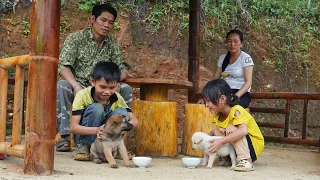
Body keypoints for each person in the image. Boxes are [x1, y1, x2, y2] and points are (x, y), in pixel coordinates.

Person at [56, 4, 133, 152]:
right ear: (92, 19)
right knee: (62, 86)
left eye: (110, 22)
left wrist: (117, 81)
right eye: (103, 20)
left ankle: (118, 139)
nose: (106, 25)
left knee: (126, 88)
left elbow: (123, 69)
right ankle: (64, 138)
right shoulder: (76, 38)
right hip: (78, 85)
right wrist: (75, 85)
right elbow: (63, 66)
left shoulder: (112, 45)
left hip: (102, 88)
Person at [70, 61, 138, 161]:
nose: (107, 92)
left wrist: (120, 127)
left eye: (112, 88)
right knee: (97, 108)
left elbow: (134, 120)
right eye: (102, 87)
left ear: (117, 85)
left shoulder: (117, 98)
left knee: (122, 113)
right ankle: (85, 148)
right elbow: (73, 128)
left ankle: (116, 149)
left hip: (107, 139)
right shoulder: (82, 95)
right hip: (86, 136)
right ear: (93, 82)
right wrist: (97, 130)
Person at [202, 79, 264, 172]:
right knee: (215, 129)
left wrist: (221, 141)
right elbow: (212, 134)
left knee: (231, 129)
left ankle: (246, 161)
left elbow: (243, 131)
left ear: (222, 99)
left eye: (209, 101)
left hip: (252, 147)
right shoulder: (216, 116)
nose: (207, 105)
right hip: (235, 146)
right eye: (205, 101)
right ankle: (227, 159)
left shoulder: (236, 110)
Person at [213, 29, 254, 108]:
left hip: (241, 93)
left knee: (231, 107)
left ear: (241, 44)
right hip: (224, 92)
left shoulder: (246, 58)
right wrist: (208, 95)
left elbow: (248, 82)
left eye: (235, 41)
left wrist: (235, 96)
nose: (232, 44)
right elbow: (215, 79)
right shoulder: (222, 58)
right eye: (229, 41)